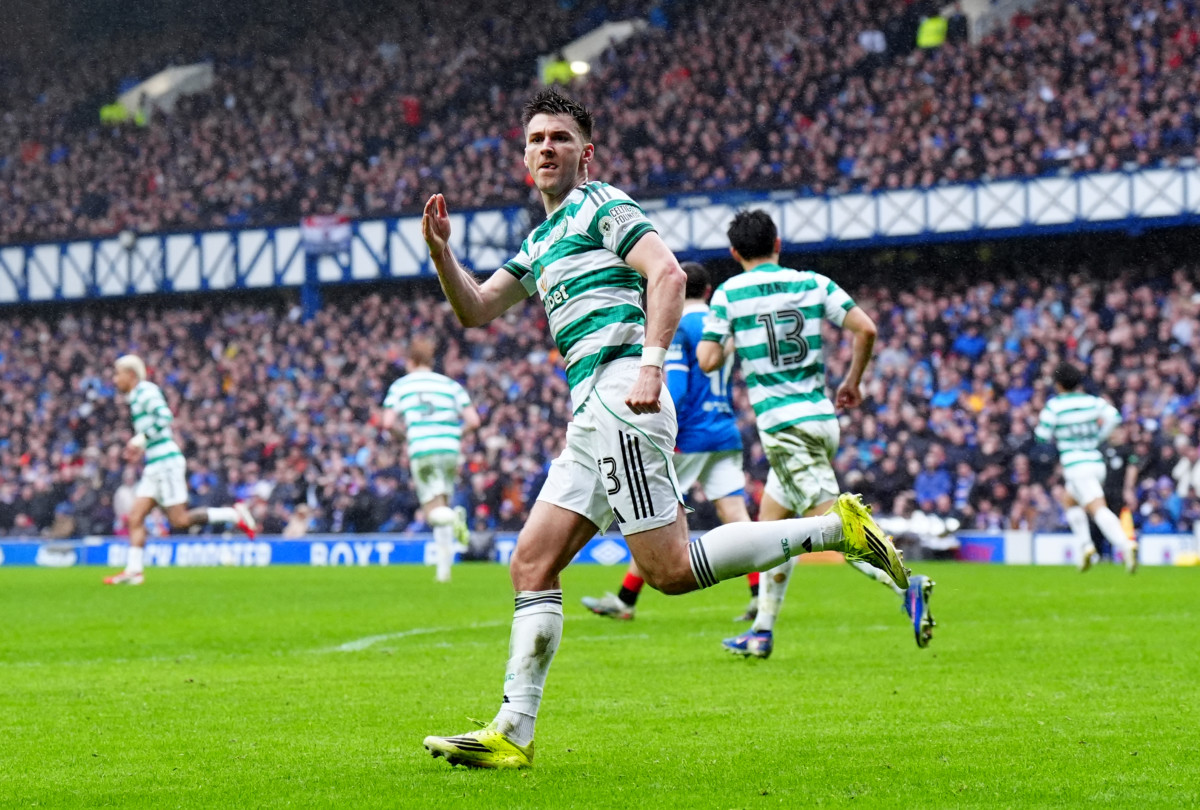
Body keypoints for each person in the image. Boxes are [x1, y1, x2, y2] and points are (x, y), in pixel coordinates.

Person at [419, 88, 908, 770]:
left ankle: (836, 529)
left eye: (559, 138)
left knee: (669, 571)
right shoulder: (538, 241)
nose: (546, 148)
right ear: (524, 156)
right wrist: (443, 253)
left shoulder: (601, 205)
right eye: (536, 140)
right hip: (589, 409)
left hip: (624, 390)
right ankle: (513, 730)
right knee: (531, 561)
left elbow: (667, 274)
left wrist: (650, 366)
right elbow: (475, 310)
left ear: (585, 153)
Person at [697, 210, 935, 657]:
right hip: (820, 417)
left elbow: (709, 360)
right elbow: (866, 328)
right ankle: (762, 631)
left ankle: (905, 584)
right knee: (769, 530)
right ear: (778, 243)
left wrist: (729, 339)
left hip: (784, 428)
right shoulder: (813, 283)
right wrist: (853, 382)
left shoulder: (729, 294)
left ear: (734, 252)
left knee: (837, 525)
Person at [580, 261, 755, 621]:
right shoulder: (720, 326)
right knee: (736, 516)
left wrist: (664, 432)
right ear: (707, 291)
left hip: (689, 435)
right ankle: (759, 594)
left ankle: (625, 601)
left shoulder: (680, 327)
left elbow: (676, 387)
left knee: (650, 518)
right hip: (724, 428)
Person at [104, 355, 256, 585]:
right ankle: (134, 572)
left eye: (118, 374)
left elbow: (165, 416)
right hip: (155, 463)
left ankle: (234, 515)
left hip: (166, 462)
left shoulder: (146, 391)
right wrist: (139, 446)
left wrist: (141, 439)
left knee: (180, 521)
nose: (115, 380)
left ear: (131, 375)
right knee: (135, 517)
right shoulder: (135, 397)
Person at [380, 336, 480, 583]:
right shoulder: (449, 384)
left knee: (432, 512)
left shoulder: (402, 386)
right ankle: (443, 573)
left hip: (422, 448)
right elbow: (474, 421)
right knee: (443, 501)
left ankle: (453, 517)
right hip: (449, 448)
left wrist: (405, 437)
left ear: (411, 361)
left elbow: (388, 423)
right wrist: (456, 433)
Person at [1035, 362, 1139, 573]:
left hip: (1076, 465)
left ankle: (1125, 544)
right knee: (1069, 501)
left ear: (1058, 384)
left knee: (1096, 507)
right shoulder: (1092, 401)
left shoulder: (1055, 405)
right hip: (1095, 461)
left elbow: (1041, 435)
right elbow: (1114, 417)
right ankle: (1086, 547)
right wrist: (1098, 437)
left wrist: (1061, 436)